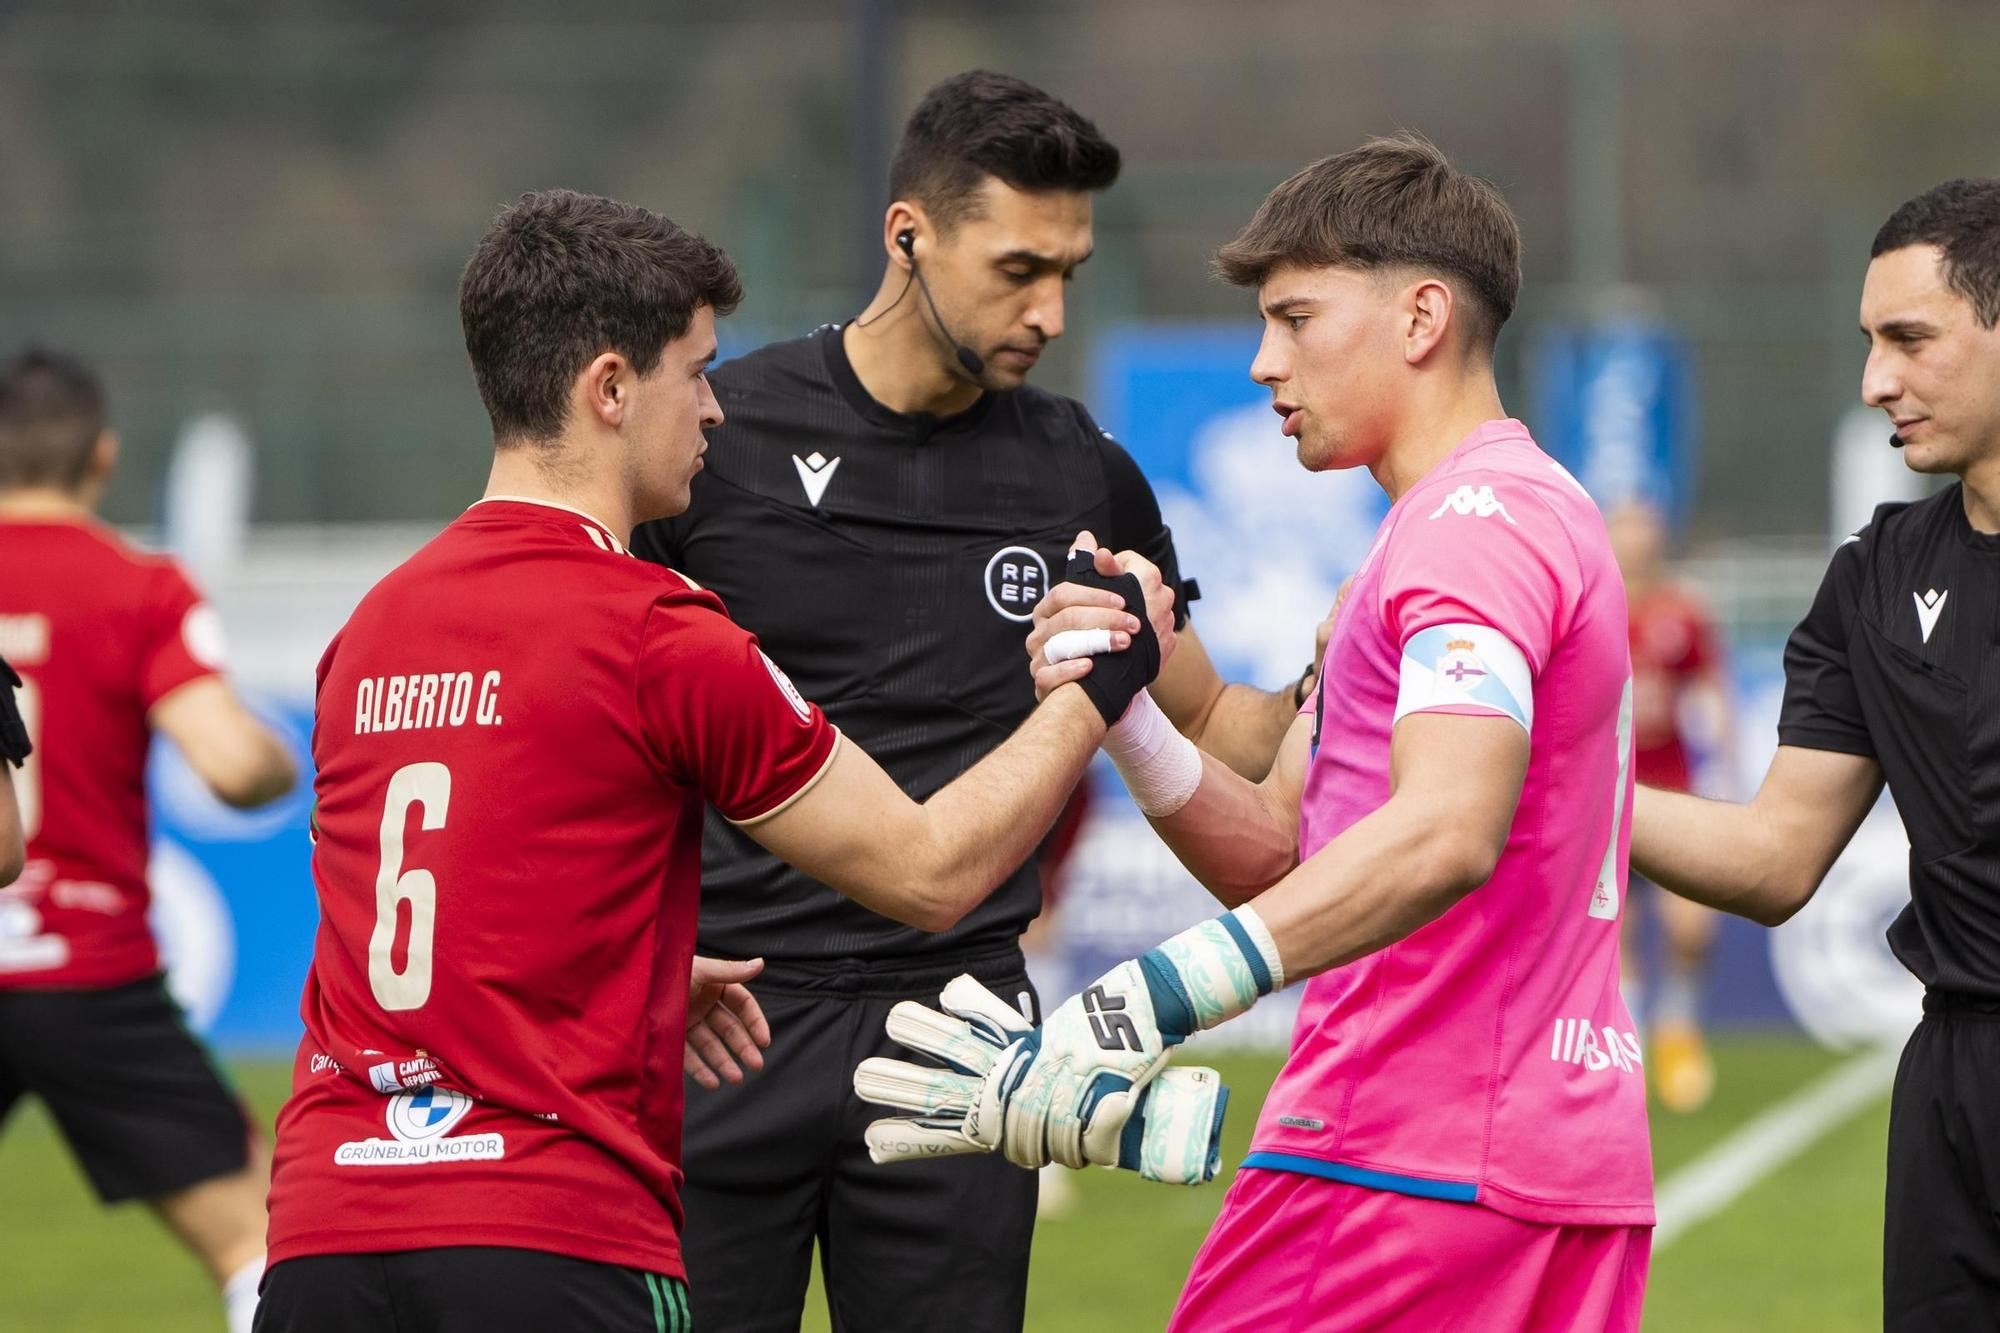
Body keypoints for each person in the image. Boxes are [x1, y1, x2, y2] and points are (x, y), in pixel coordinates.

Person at [254, 188, 1177, 1332]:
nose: (714, 411)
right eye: (695, 374)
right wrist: (1096, 685)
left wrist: (630, 986)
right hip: (550, 1234)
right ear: (606, 391)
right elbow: (931, 871)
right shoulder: (656, 631)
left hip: (326, 1231)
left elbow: (436, 910)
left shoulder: (372, 628)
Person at [861, 135, 1653, 1332]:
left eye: (1293, 317)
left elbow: (1446, 831)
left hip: (1402, 1153)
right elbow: (1286, 853)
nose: (1259, 360)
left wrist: (1136, 1004)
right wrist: (1124, 700)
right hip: (1535, 1159)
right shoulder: (1463, 524)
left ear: (1421, 316)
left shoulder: (1471, 528)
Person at [629, 70, 1313, 1332]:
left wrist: (1346, 661)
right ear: (909, 234)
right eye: (1015, 270)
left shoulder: (1079, 470)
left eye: (1068, 271)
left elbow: (1218, 723)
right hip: (725, 1026)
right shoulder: (717, 443)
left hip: (966, 1033)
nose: (1049, 311)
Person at [1626, 177, 2000, 1331]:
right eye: (1866, 342)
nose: (1872, 380)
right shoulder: (1874, 578)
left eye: (1907, 339)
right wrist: (1540, 772)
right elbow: (1773, 855)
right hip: (1955, 1083)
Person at [0, 348, 298, 1333]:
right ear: (102, 457)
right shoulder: (135, 588)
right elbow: (224, 763)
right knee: (261, 1246)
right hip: (88, 973)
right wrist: (281, 760)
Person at [1607, 497, 1735, 1113]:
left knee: (1692, 928)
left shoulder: (1681, 613)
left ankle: (1677, 1022)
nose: (1637, 543)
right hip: (1607, 796)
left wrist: (1728, 761)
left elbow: (1712, 689)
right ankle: (1629, 1051)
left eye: (1645, 532)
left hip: (1674, 788)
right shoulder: (1593, 609)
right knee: (1618, 933)